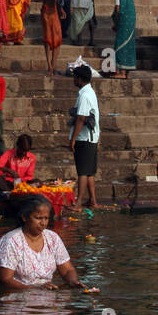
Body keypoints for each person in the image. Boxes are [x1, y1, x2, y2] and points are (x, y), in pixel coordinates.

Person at [0, 195, 87, 291]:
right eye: (38, 218)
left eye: (46, 218)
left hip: (45, 293)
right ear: (24, 217)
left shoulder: (53, 238)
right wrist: (34, 289)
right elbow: (5, 280)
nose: (43, 223)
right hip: (17, 296)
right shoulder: (10, 242)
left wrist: (72, 282)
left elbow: (67, 269)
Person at [67, 64, 100, 209]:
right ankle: (92, 201)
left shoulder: (85, 96)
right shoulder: (89, 92)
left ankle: (78, 202)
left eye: (75, 77)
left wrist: (73, 139)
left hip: (84, 138)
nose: (73, 80)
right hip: (91, 138)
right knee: (89, 172)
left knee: (82, 171)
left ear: (79, 79)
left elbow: (81, 118)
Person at [34, 0, 66, 76]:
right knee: (48, 39)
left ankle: (54, 66)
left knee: (58, 39)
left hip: (55, 12)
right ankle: (49, 67)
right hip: (46, 13)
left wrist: (61, 9)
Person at [108, 0, 137, 78]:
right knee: (128, 45)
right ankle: (127, 73)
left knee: (120, 45)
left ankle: (121, 72)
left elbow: (118, 9)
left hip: (123, 23)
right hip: (130, 23)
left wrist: (116, 23)